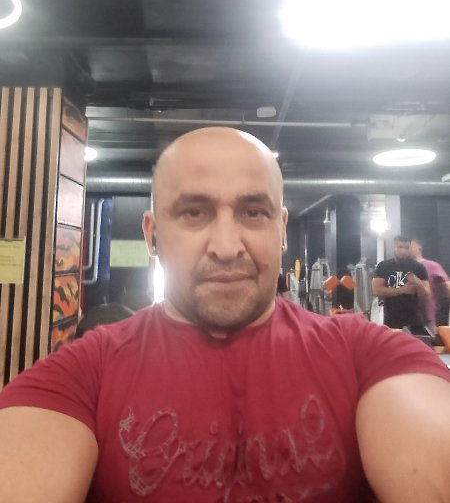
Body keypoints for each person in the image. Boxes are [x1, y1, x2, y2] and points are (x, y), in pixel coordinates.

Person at [0, 128, 449, 502]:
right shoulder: (85, 373)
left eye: (253, 212)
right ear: (153, 235)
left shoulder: (367, 355)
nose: (227, 246)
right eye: (194, 212)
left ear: (281, 230)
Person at [372, 235, 430, 331]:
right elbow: (376, 290)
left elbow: (426, 294)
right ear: (394, 247)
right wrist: (403, 290)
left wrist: (418, 282)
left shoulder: (419, 267)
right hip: (391, 320)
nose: (403, 251)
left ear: (410, 248)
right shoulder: (383, 266)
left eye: (406, 248)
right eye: (400, 247)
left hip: (414, 321)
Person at [410, 238, 450, 331]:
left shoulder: (431, 265)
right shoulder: (404, 267)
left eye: (411, 246)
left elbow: (448, 285)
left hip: (427, 316)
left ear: (419, 247)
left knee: (429, 338)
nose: (408, 249)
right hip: (407, 315)